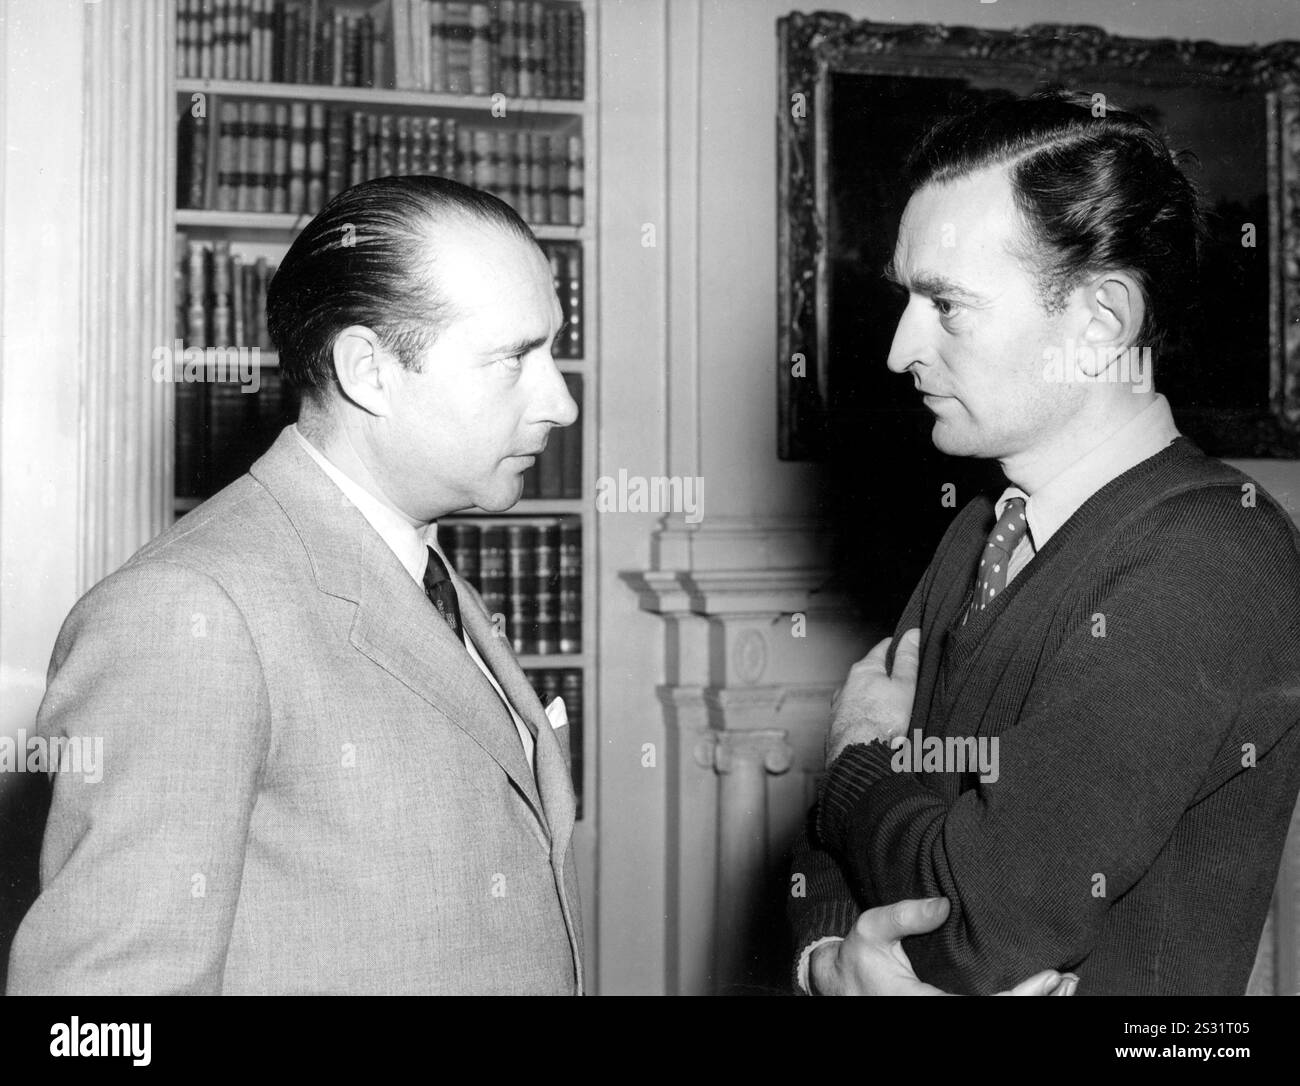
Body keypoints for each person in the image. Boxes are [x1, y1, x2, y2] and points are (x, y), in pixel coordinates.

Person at [8, 176, 585, 994]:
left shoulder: (421, 569)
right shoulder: (188, 613)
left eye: (552, 350)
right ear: (368, 371)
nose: (559, 402)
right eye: (513, 359)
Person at [791, 91, 1300, 996]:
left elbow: (982, 916)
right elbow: (837, 851)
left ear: (1101, 321)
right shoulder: (983, 528)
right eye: (907, 298)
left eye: (946, 304)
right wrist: (832, 965)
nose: (901, 348)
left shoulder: (1217, 555)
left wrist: (853, 761)